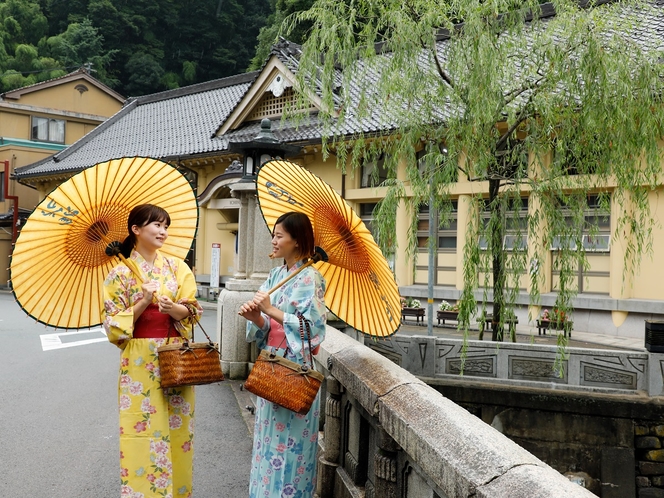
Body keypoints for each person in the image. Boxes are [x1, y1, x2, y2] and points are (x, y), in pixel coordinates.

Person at [102, 204, 203, 498]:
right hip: (138, 361)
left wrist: (178, 310)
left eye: (165, 226)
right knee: (141, 430)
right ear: (136, 229)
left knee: (176, 430)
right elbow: (113, 327)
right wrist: (143, 302)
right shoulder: (118, 274)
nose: (163, 231)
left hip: (174, 356)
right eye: (156, 225)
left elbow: (193, 308)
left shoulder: (177, 267)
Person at [240, 211, 327, 498]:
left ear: (297, 241)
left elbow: (311, 329)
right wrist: (256, 318)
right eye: (273, 235)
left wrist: (270, 310)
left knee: (291, 446)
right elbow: (268, 326)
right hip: (272, 361)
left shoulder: (311, 278)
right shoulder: (277, 274)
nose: (273, 241)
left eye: (279, 236)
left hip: (294, 366)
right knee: (266, 440)